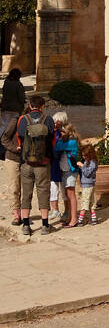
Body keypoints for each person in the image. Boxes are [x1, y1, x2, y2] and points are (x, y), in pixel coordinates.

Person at [16, 95, 55, 237]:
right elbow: (52, 140)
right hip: (43, 163)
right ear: (42, 106)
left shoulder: (23, 120)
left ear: (30, 105)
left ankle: (26, 225)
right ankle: (45, 225)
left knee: (26, 193)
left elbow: (19, 137)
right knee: (43, 192)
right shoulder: (48, 120)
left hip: (26, 163)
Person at [55, 122, 80, 227]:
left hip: (70, 171)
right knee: (67, 195)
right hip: (65, 171)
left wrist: (59, 139)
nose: (61, 133)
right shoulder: (68, 141)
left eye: (62, 131)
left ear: (68, 132)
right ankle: (70, 217)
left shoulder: (72, 142)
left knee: (71, 195)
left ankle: (74, 219)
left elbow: (57, 147)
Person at [0, 107, 22, 225]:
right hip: (12, 158)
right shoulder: (16, 121)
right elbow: (4, 138)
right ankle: (16, 215)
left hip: (26, 160)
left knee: (26, 189)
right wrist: (15, 148)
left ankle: (25, 214)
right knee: (14, 188)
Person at [0, 68, 27, 160]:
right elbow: (21, 97)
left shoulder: (6, 82)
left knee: (3, 127)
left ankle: (1, 147)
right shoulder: (18, 84)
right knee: (12, 128)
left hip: (5, 108)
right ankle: (7, 147)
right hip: (15, 109)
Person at [48, 109, 69, 223]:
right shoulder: (51, 132)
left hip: (62, 162)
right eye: (55, 121)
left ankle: (67, 211)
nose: (56, 123)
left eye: (58, 122)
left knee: (64, 188)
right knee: (53, 186)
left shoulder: (65, 134)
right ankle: (55, 209)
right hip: (53, 162)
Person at [78, 143, 99, 226]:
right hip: (89, 185)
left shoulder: (92, 163)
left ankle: (80, 220)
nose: (83, 157)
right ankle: (94, 219)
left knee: (84, 203)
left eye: (84, 155)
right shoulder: (89, 161)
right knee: (91, 202)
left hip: (88, 185)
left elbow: (87, 173)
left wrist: (82, 166)